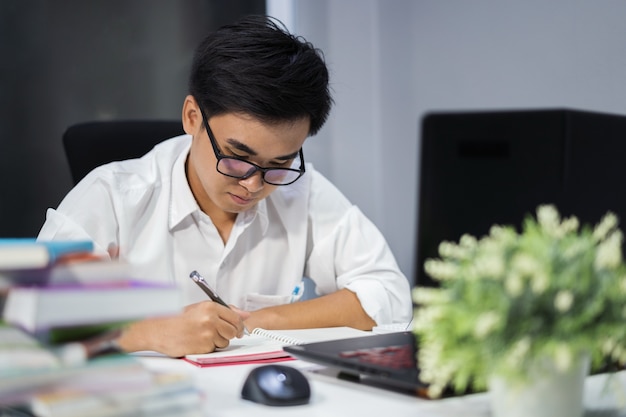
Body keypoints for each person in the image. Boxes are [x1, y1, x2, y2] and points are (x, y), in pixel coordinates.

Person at [38, 15, 412, 357]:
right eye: (236, 157)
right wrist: (148, 332)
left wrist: (256, 321)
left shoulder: (302, 191)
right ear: (192, 117)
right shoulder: (113, 197)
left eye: (279, 163)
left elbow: (389, 295)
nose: (252, 184)